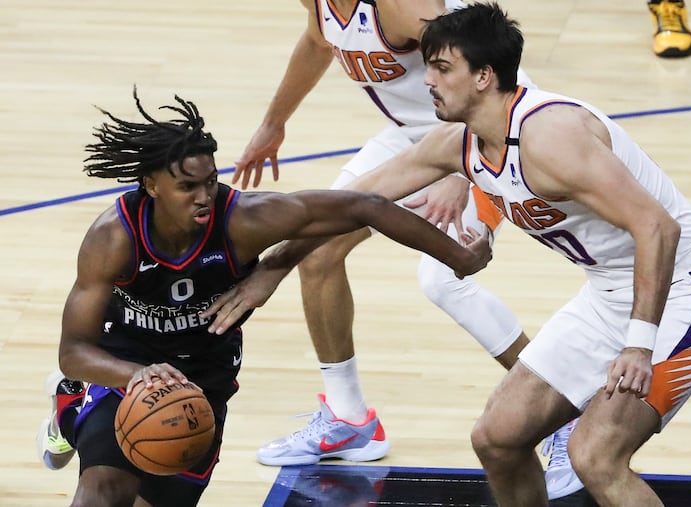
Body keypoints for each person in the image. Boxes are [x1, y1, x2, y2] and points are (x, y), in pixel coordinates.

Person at [206, 3, 691, 505]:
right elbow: (353, 202)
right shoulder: (453, 145)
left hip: (688, 291)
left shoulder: (551, 135)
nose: (427, 81)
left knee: (594, 456)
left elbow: (658, 227)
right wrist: (272, 266)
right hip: (607, 292)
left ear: (484, 76)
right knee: (497, 438)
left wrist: (638, 345)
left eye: (440, 69)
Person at [34, 87, 493, 507]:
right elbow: (73, 349)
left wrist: (459, 258)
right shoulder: (113, 238)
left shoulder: (243, 221)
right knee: (101, 492)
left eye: (211, 181)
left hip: (202, 377)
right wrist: (139, 375)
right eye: (188, 187)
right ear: (152, 187)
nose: (204, 197)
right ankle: (73, 406)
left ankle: (72, 415)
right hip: (128, 366)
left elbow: (364, 206)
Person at [226, 0, 580, 495]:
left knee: (442, 282)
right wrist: (274, 122)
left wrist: (465, 163)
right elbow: (316, 41)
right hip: (412, 139)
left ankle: (562, 415)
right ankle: (350, 419)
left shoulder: (401, 8)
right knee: (318, 251)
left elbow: (489, 70)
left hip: (494, 128)